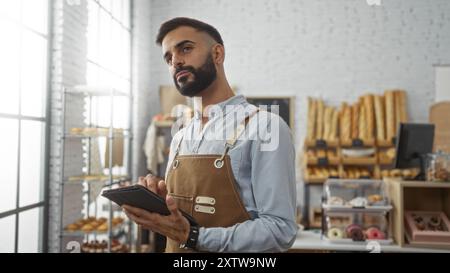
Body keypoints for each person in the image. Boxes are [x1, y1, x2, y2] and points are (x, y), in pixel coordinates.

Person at [123, 17, 298, 253]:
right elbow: (182, 219)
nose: (175, 61)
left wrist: (193, 236)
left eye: (185, 48)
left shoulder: (266, 128)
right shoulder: (181, 137)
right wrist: (160, 205)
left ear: (217, 54)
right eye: (168, 58)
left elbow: (280, 230)